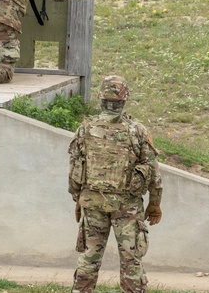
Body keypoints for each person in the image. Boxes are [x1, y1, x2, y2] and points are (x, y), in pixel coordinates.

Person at [68, 75, 163, 293]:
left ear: (100, 98)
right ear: (124, 100)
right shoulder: (137, 131)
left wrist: (78, 198)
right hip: (126, 206)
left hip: (92, 203)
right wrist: (155, 203)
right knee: (131, 260)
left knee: (89, 258)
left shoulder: (85, 128)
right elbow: (153, 171)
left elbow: (74, 169)